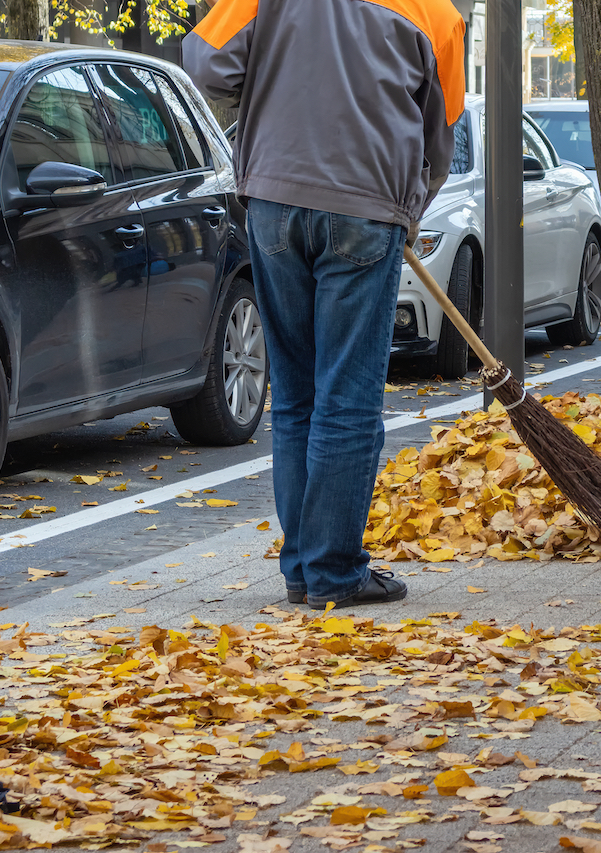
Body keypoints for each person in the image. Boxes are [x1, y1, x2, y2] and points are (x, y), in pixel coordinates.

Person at [183, 0, 465, 610]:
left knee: (295, 396)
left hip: (275, 202)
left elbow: (205, 64)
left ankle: (303, 569)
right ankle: (334, 572)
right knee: (348, 399)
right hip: (366, 208)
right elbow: (443, 132)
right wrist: (410, 206)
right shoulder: (434, 13)